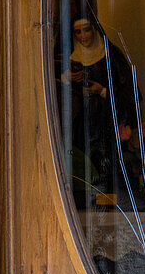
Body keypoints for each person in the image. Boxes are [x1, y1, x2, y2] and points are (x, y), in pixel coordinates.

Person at [56, 15, 136, 195]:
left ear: (94, 29)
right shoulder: (69, 59)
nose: (83, 35)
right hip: (80, 125)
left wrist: (102, 91)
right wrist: (67, 82)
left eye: (86, 29)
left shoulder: (111, 55)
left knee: (106, 166)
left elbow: (131, 93)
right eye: (78, 31)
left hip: (105, 123)